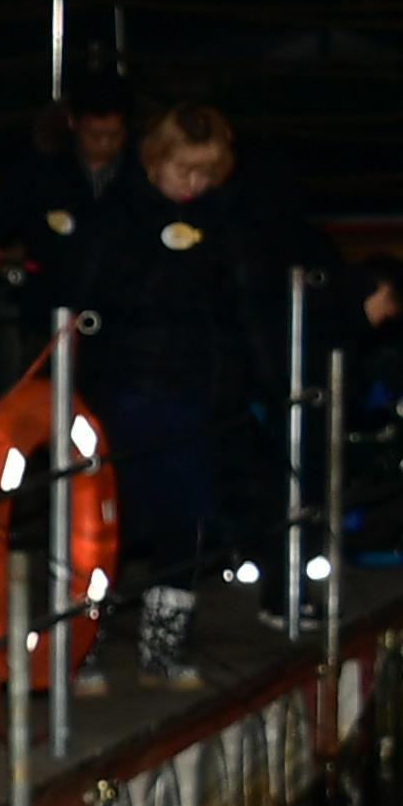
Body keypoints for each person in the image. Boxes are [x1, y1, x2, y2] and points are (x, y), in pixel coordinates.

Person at [74, 102, 263, 689]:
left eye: (206, 171)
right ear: (156, 161)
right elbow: (87, 293)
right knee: (111, 526)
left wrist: (244, 379)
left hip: (191, 397)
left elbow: (237, 306)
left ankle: (163, 647)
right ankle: (87, 644)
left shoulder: (222, 220)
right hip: (124, 392)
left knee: (185, 521)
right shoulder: (116, 214)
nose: (195, 182)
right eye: (185, 169)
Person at [0, 76, 131, 342]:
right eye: (94, 134)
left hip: (121, 323)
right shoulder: (41, 172)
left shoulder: (143, 177)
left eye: (114, 135)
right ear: (73, 123)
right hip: (49, 321)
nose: (104, 143)